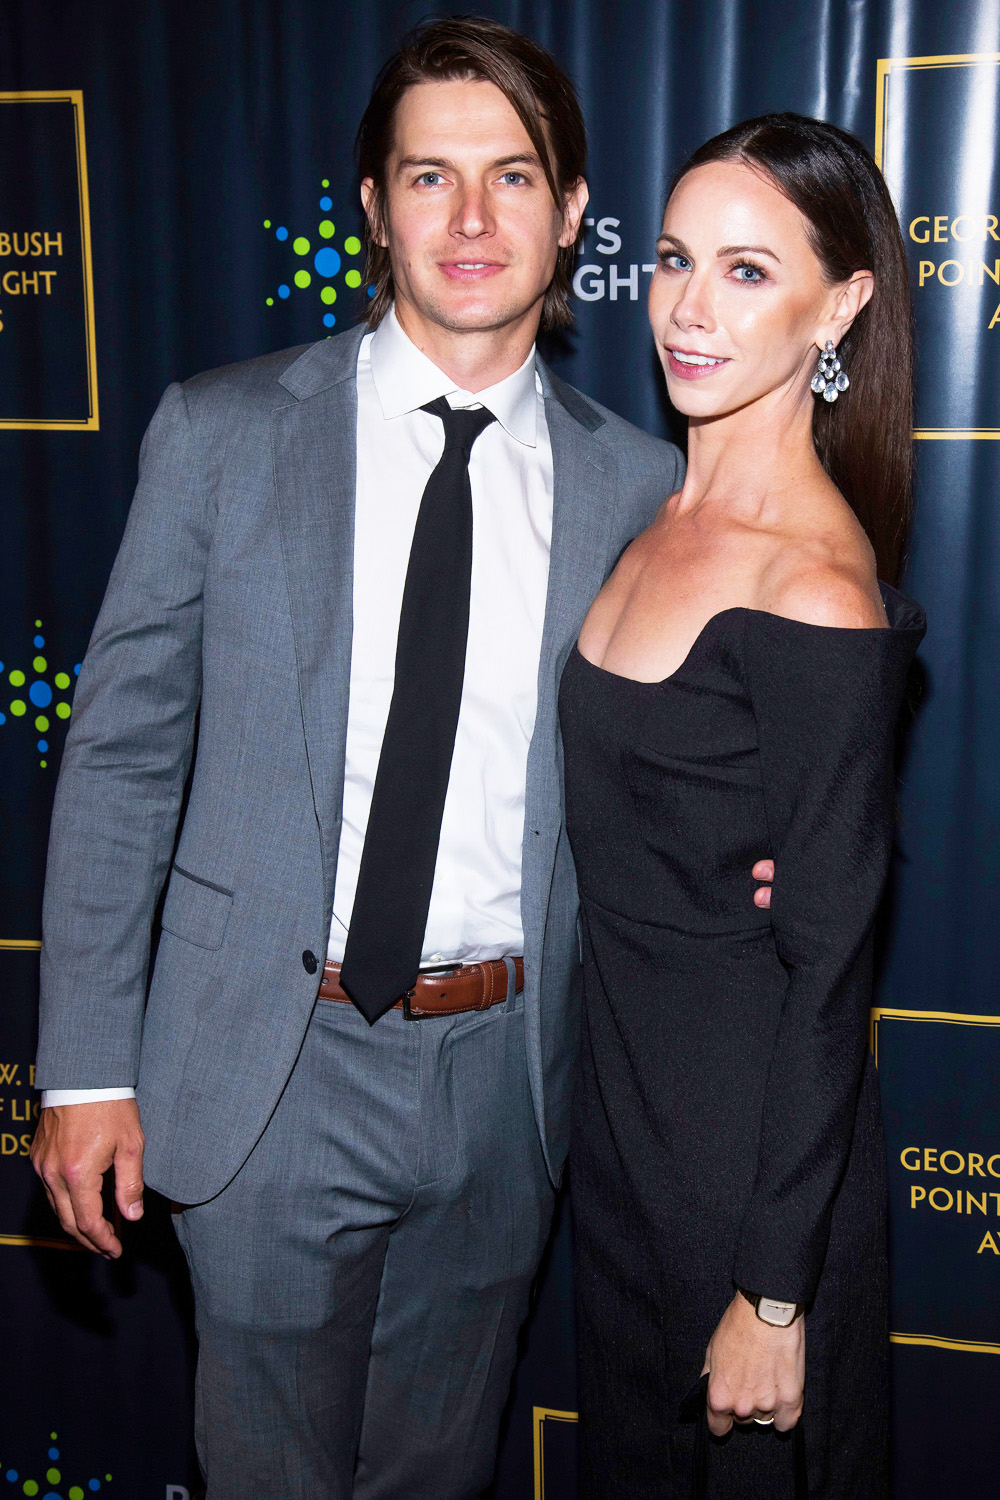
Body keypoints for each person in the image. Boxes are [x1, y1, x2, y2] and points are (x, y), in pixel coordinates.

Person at [27, 17, 701, 1500]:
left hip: (508, 1078)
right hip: (265, 1067)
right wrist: (80, 1064)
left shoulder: (642, 486)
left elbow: (665, 776)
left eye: (513, 177)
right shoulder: (218, 434)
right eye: (429, 178)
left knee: (436, 1477)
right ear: (374, 206)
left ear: (575, 213)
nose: (471, 221)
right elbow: (124, 759)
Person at [559, 113, 925, 1500]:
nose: (689, 308)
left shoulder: (812, 585)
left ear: (842, 303)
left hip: (748, 1162)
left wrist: (775, 1293)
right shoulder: (653, 516)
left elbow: (829, 971)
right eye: (671, 260)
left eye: (747, 271)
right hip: (623, 1130)